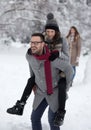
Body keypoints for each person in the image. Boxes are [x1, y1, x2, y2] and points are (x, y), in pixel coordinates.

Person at [7, 13, 70, 126]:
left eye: (52, 31)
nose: (50, 34)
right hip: (42, 69)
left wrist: (57, 54)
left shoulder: (62, 41)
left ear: (56, 32)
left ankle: (61, 112)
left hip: (58, 69)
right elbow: (33, 63)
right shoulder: (41, 40)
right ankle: (20, 104)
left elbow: (67, 60)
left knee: (61, 85)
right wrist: (34, 80)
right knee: (31, 80)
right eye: (48, 31)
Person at [26, 33, 73, 130]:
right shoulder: (29, 56)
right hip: (40, 92)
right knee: (34, 118)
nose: (33, 45)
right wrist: (34, 83)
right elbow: (32, 69)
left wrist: (66, 88)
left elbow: (69, 69)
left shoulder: (52, 58)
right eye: (32, 42)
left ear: (43, 44)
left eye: (37, 43)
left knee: (52, 120)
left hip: (54, 92)